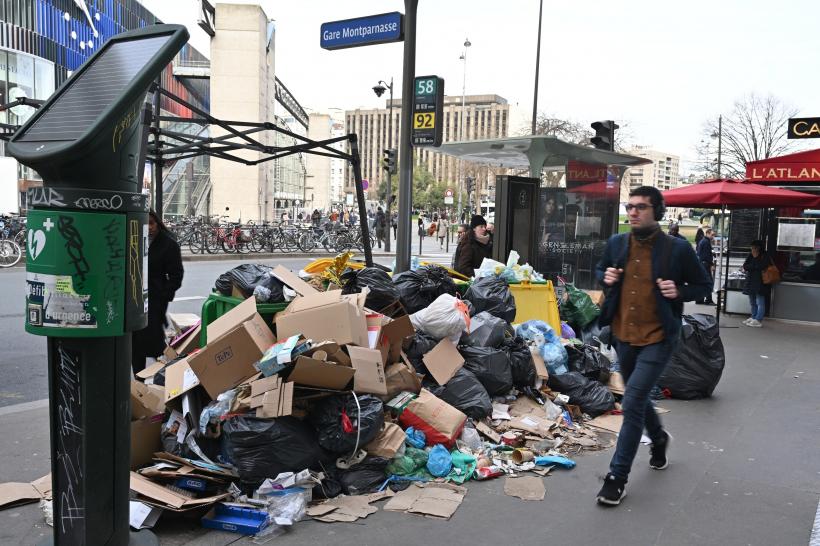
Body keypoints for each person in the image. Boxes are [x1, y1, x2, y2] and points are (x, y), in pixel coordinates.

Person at [594, 186, 710, 506]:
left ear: (657, 212)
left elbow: (703, 284)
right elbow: (601, 270)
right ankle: (658, 439)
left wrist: (679, 291)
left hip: (658, 338)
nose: (633, 212)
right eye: (630, 207)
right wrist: (607, 277)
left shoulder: (677, 248)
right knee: (638, 397)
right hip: (623, 336)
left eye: (641, 207)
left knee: (631, 402)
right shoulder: (617, 243)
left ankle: (617, 477)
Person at [132, 210, 184, 374]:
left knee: (154, 339)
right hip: (135, 297)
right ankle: (140, 379)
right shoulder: (134, 240)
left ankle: (170, 373)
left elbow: (176, 274)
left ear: (158, 223)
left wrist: (164, 295)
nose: (149, 227)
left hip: (155, 298)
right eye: (145, 224)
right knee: (136, 342)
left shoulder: (168, 244)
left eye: (152, 223)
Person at [741, 240, 773, 327]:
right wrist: (754, 266)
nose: (752, 250)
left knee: (760, 301)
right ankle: (753, 316)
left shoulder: (764, 255)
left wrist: (754, 261)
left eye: (753, 248)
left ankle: (758, 319)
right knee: (752, 301)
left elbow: (762, 266)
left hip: (761, 282)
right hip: (751, 280)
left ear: (758, 248)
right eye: (751, 248)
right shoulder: (751, 255)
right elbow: (745, 266)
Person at [696, 228, 716, 304]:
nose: (713, 237)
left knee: (703, 282)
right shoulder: (706, 242)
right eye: (712, 235)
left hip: (702, 263)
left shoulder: (703, 241)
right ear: (707, 233)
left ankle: (700, 299)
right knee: (708, 282)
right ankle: (708, 300)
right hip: (705, 264)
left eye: (714, 235)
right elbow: (706, 255)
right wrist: (711, 264)